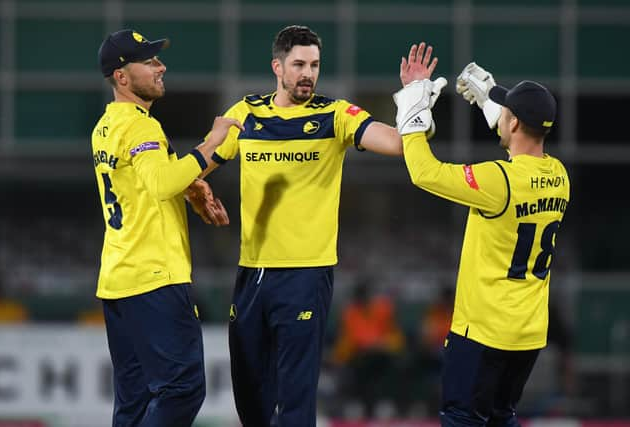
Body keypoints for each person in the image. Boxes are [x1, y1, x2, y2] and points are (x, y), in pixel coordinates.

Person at [195, 25, 421, 426]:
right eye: (298, 64)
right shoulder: (246, 114)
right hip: (252, 273)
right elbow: (199, 164)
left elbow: (397, 143)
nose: (308, 74)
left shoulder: (335, 116)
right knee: (250, 398)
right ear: (277, 67)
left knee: (297, 399)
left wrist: (414, 97)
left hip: (305, 274)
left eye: (314, 65)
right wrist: (196, 190)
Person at [393, 43, 570, 426]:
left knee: (462, 418)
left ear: (515, 123)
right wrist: (494, 102)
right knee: (500, 416)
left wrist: (411, 106)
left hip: (483, 333)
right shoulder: (559, 176)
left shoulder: (498, 180)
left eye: (506, 112)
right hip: (527, 335)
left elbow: (425, 172)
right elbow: (522, 144)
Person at [92, 29, 242, 427]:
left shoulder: (108, 125)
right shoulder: (141, 128)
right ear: (122, 76)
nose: (161, 67)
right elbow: (161, 183)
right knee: (182, 388)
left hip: (119, 279)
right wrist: (212, 143)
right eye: (149, 61)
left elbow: (151, 181)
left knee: (135, 401)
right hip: (154, 277)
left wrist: (192, 186)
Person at [332, 278, 406, 417]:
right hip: (357, 357)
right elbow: (346, 340)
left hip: (382, 355)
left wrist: (383, 344)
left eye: (366, 296)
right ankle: (359, 404)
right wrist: (361, 346)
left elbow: (396, 337)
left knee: (393, 363)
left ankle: (386, 404)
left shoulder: (383, 309)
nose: (364, 300)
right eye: (360, 297)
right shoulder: (349, 312)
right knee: (360, 365)